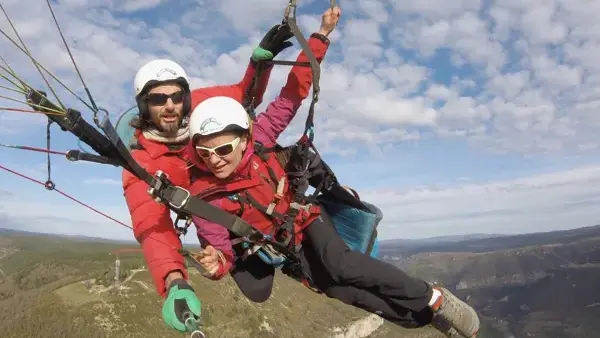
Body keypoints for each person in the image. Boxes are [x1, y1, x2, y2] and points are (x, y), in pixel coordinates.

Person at [183, 6, 480, 338]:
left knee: (341, 265)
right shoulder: (204, 196)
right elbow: (220, 247)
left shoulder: (261, 139)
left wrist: (320, 36)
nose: (214, 159)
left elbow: (292, 94)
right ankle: (428, 319)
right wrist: (216, 265)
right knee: (344, 292)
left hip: (303, 218)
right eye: (204, 152)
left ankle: (434, 297)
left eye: (223, 149)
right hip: (284, 248)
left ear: (243, 140)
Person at [121, 24, 295, 333]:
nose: (170, 105)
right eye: (159, 99)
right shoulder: (142, 161)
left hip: (243, 188)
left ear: (185, 96)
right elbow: (152, 225)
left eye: (176, 96)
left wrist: (260, 63)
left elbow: (243, 96)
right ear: (144, 105)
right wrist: (175, 281)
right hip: (216, 216)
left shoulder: (202, 106)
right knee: (258, 290)